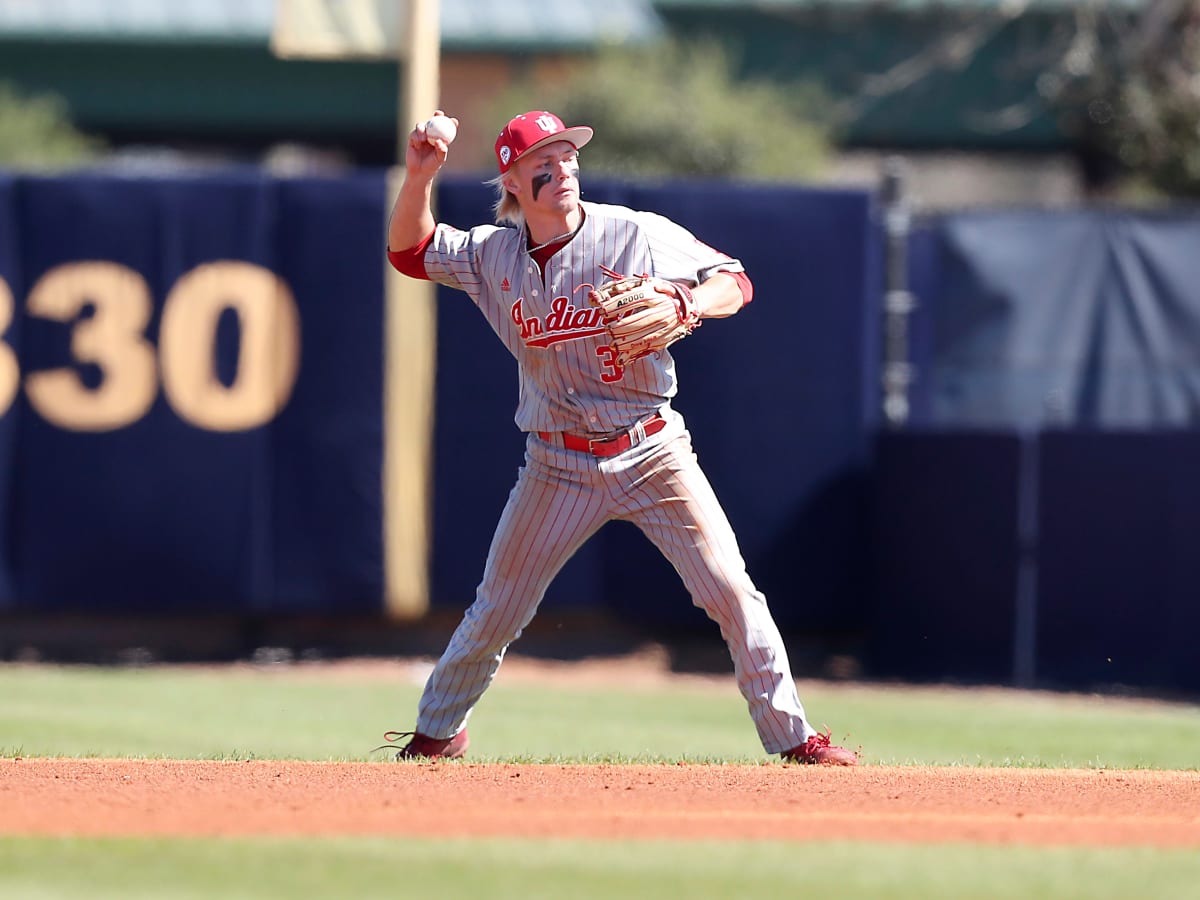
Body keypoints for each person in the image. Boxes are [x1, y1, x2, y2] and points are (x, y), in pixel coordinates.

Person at [382, 109, 857, 766]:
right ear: (513, 180)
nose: (562, 170)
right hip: (555, 464)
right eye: (543, 163)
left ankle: (795, 737)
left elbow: (735, 280)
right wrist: (420, 177)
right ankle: (436, 733)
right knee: (498, 609)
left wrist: (689, 303)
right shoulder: (493, 255)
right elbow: (409, 252)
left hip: (651, 448)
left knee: (729, 589)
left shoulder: (632, 233)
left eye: (569, 157)